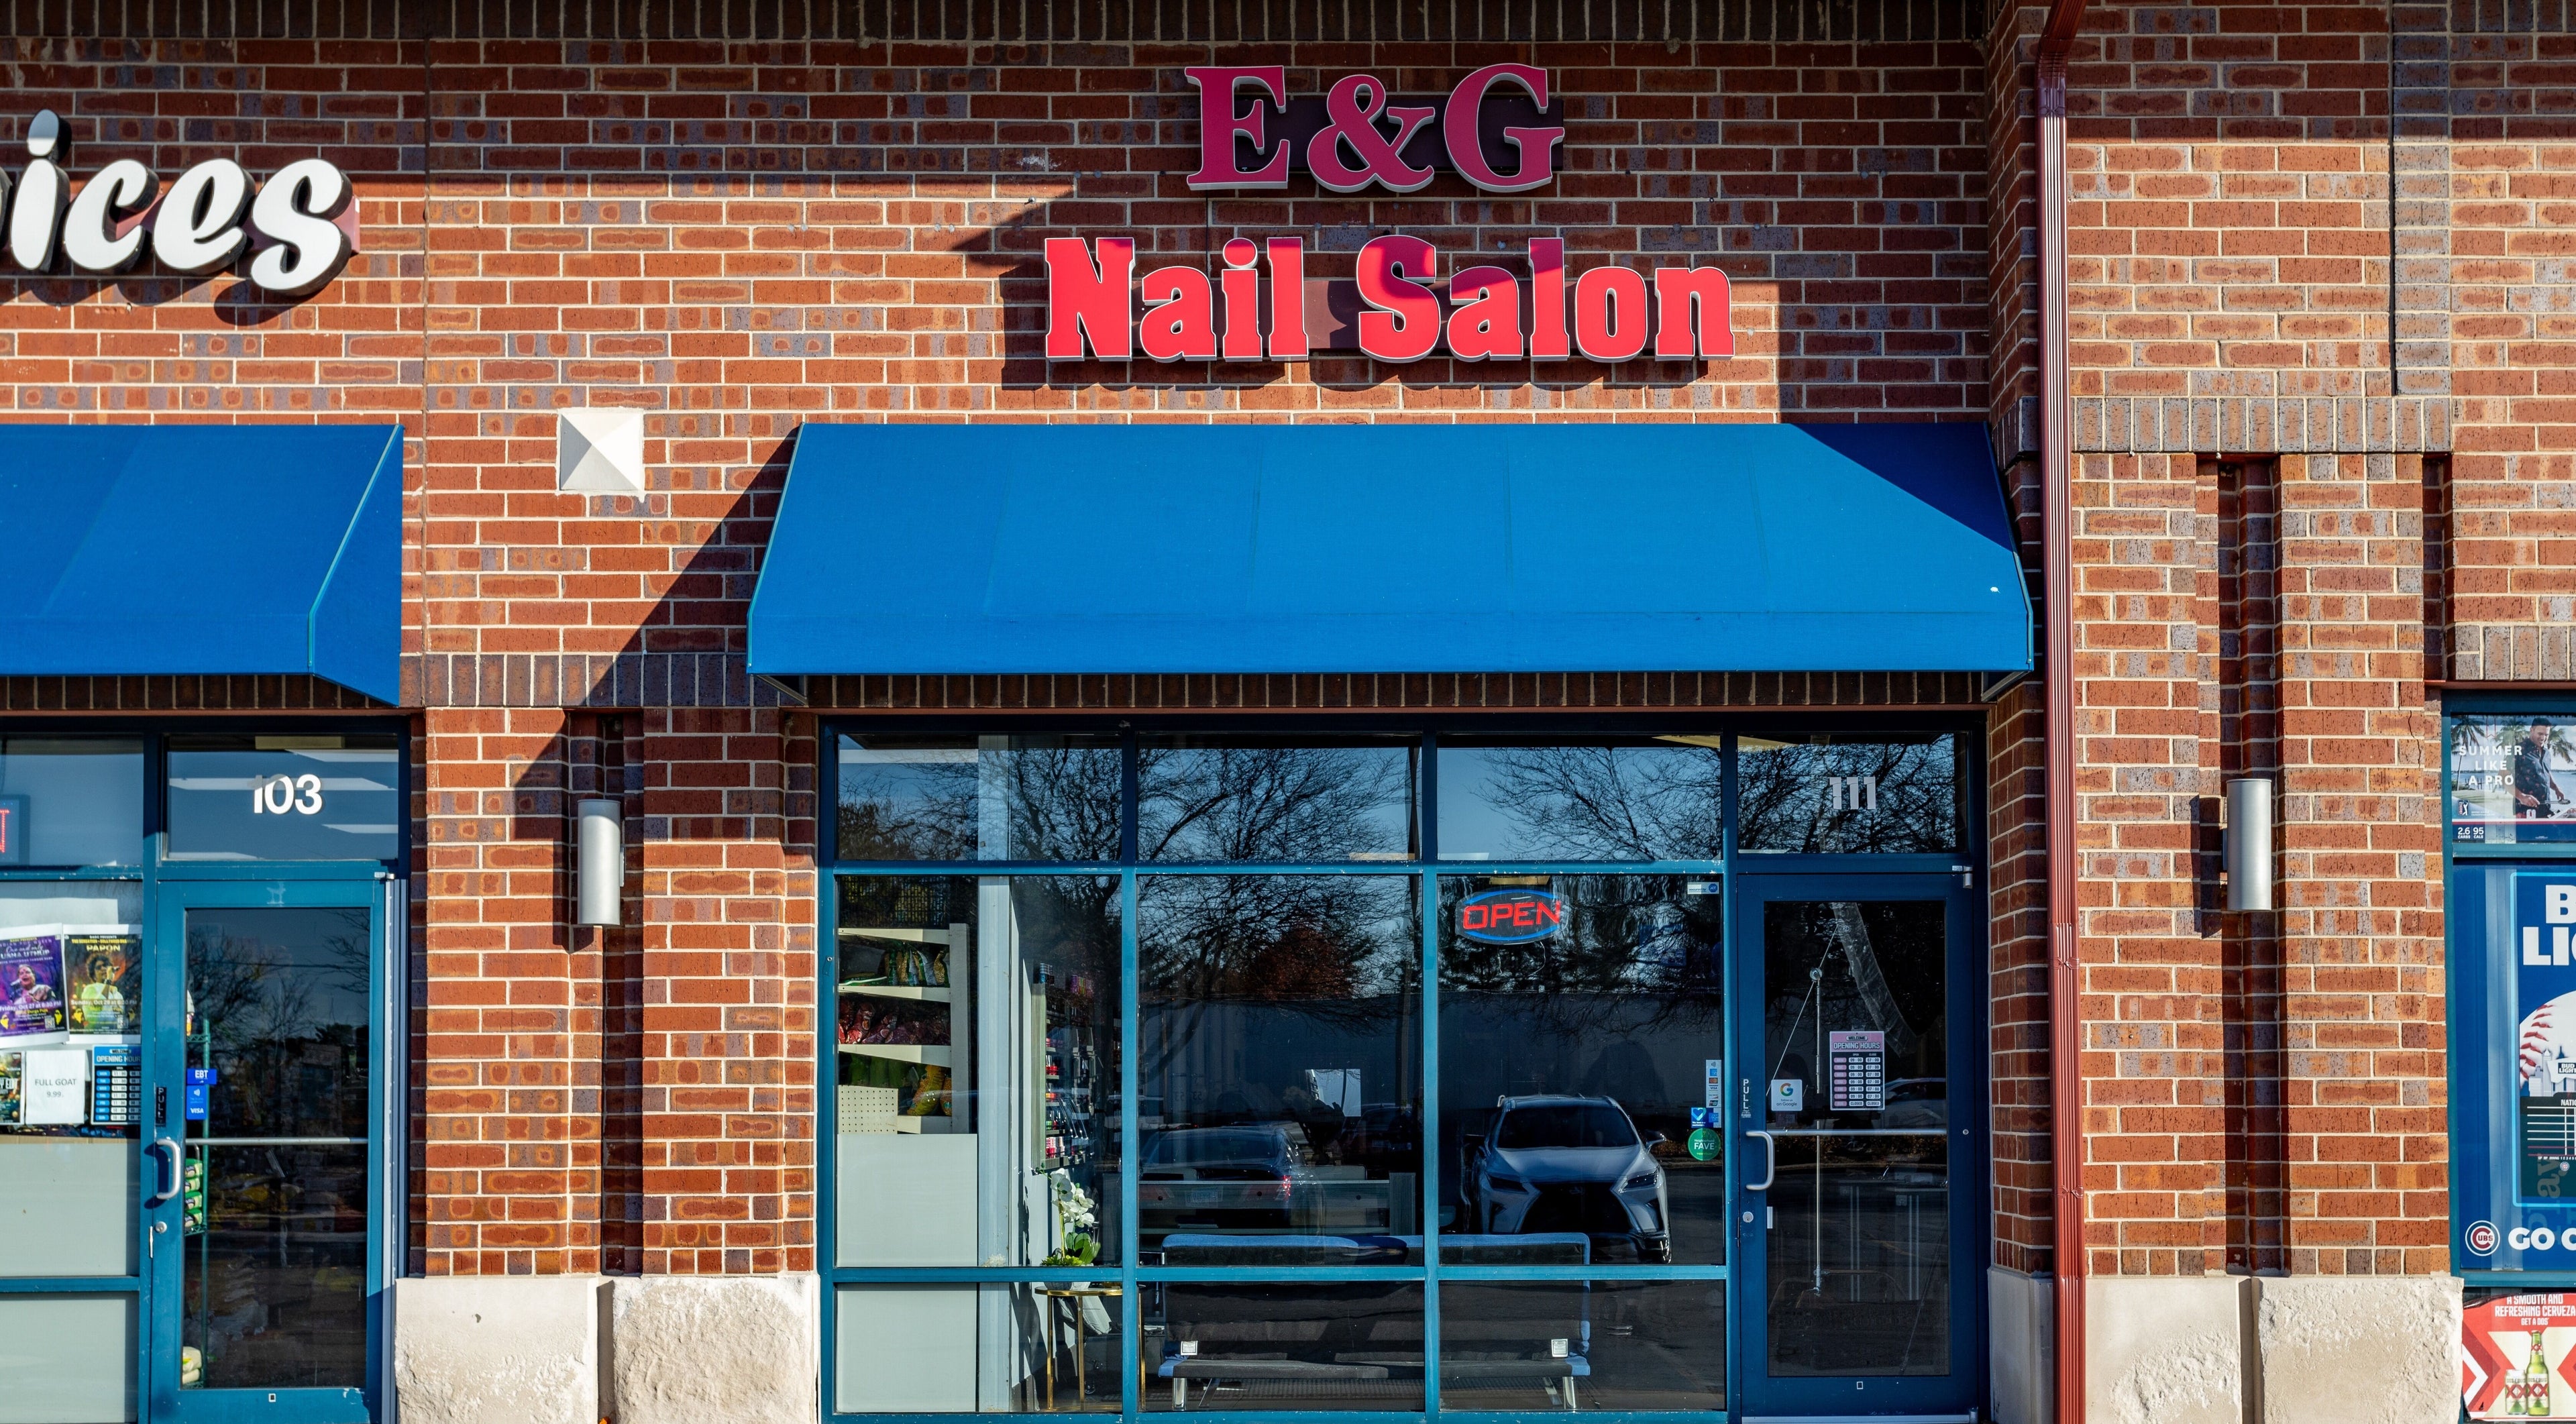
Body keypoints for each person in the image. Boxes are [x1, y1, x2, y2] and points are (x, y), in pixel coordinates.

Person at [2516, 720, 2563, 820]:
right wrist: (2522, 797)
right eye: (2540, 734)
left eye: (2546, 735)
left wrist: (2556, 788)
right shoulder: (2518, 749)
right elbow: (2503, 777)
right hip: (2525, 813)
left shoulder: (2547, 753)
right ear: (2531, 730)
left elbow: (2546, 772)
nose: (2543, 738)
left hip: (2546, 812)